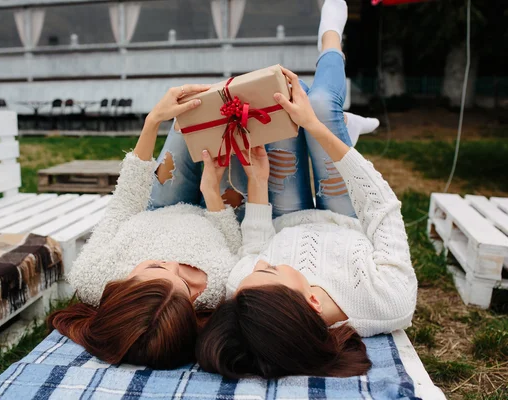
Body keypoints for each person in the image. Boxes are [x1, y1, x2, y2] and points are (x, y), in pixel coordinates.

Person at [196, 0, 417, 379]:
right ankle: (331, 43)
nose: (259, 262)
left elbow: (253, 245)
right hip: (347, 213)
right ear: (313, 301)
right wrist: (317, 128)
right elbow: (381, 206)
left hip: (288, 212)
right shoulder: (389, 301)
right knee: (316, 106)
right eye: (269, 270)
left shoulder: (246, 294)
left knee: (276, 112)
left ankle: (339, 126)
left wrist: (258, 182)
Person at [48, 84, 242, 370]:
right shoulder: (221, 290)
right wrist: (211, 192)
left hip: (161, 204)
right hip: (217, 211)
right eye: (186, 282)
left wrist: (152, 121)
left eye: (155, 267)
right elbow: (235, 242)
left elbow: (124, 204)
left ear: (119, 289)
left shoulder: (93, 277)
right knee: (231, 127)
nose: (173, 263)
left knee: (187, 117)